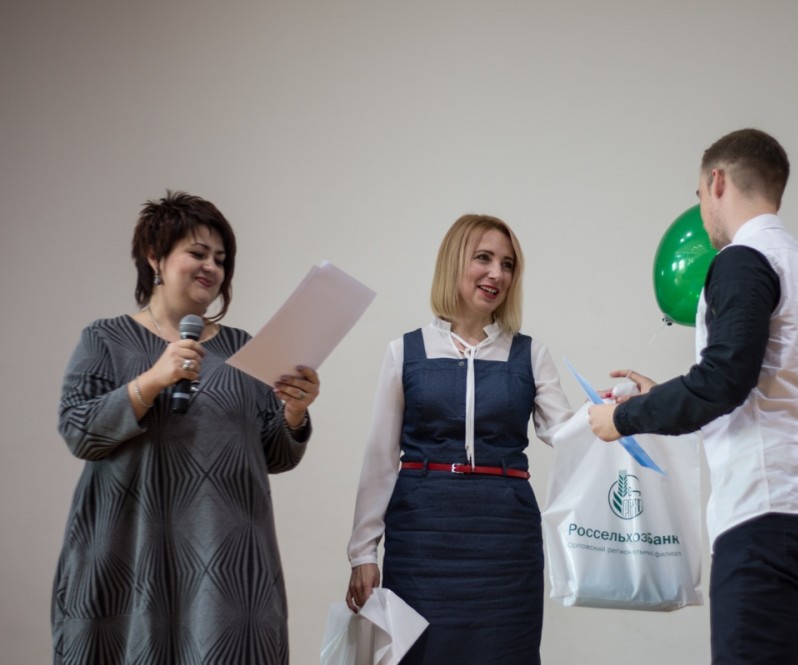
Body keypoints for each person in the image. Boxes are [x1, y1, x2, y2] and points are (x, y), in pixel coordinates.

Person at [589, 128, 798, 665]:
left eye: (700, 194)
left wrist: (622, 419)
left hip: (775, 513)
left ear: (717, 182)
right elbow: (773, 384)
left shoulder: (744, 258)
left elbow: (724, 381)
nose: (702, 212)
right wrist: (662, 394)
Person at [52, 191, 320, 665]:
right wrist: (155, 378)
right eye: (197, 253)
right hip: (129, 556)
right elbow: (79, 430)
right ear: (154, 256)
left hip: (226, 569)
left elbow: (274, 455)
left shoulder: (245, 350)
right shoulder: (105, 339)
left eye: (220, 259)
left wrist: (294, 413)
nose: (211, 267)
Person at [345, 214, 573, 664]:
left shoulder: (531, 354)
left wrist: (617, 415)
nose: (497, 274)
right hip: (422, 540)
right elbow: (380, 458)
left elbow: (566, 433)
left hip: (505, 543)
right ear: (454, 262)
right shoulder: (404, 352)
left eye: (507, 265)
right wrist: (362, 552)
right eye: (483, 258)